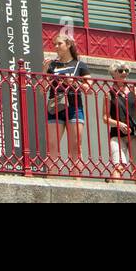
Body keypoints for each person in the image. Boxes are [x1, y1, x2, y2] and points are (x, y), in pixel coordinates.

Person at [43, 33, 90, 174]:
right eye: (54, 44)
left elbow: (89, 88)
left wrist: (75, 82)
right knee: (52, 146)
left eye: (59, 44)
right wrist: (45, 70)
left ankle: (77, 182)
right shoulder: (52, 65)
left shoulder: (79, 65)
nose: (56, 47)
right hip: (55, 106)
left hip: (74, 106)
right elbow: (42, 89)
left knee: (76, 146)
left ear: (68, 45)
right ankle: (52, 179)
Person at [104, 62, 136, 183]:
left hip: (135, 134)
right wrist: (119, 124)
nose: (124, 73)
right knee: (119, 165)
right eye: (120, 70)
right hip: (117, 134)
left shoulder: (134, 90)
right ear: (113, 74)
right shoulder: (109, 94)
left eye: (126, 71)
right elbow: (105, 118)